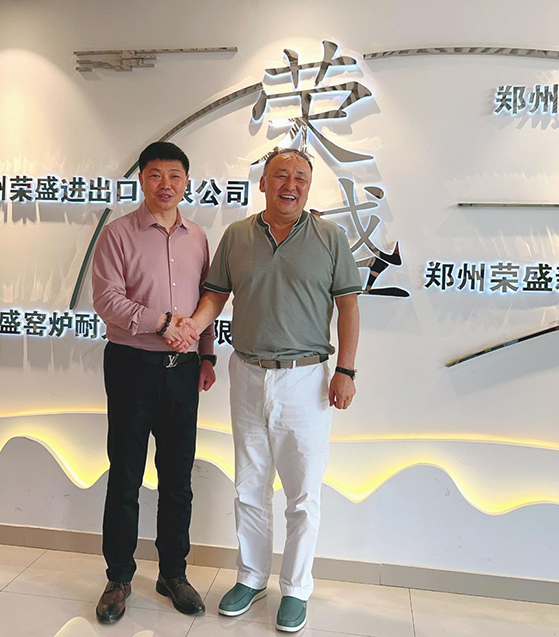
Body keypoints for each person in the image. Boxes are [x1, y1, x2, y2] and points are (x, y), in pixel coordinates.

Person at [168, 147, 361, 632]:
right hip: (248, 373)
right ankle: (251, 577)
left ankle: (295, 588)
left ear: (308, 187)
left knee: (303, 493)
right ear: (263, 183)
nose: (289, 185)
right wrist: (193, 328)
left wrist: (347, 370)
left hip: (306, 378)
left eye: (300, 178)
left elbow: (349, 307)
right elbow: (216, 294)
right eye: (280, 175)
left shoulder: (331, 238)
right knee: (250, 486)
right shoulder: (237, 235)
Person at [91, 141, 216, 624]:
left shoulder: (198, 237)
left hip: (183, 371)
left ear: (186, 182)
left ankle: (173, 573)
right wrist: (162, 322)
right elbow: (107, 300)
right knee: (125, 474)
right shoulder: (118, 234)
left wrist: (206, 356)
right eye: (156, 174)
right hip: (131, 366)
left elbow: (207, 302)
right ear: (142, 179)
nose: (166, 184)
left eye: (175, 175)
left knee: (178, 477)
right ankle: (119, 577)